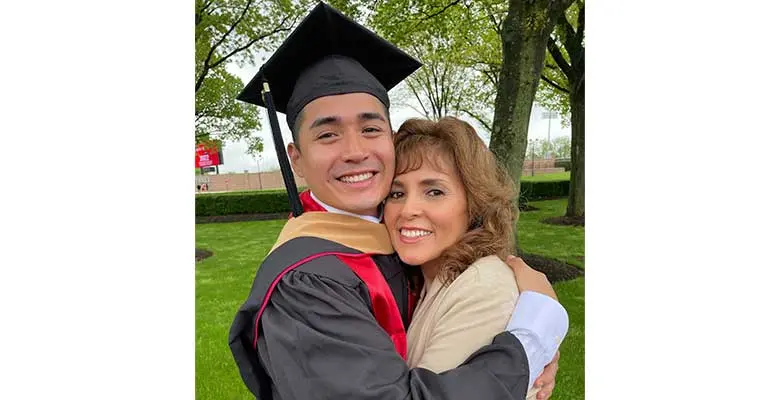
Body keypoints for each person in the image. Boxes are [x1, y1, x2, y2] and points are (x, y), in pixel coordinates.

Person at [228, 3, 567, 399]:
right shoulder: (308, 284)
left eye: (370, 128)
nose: (355, 151)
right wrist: (531, 340)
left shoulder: (392, 243)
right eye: (327, 135)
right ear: (296, 158)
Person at [384, 117, 567, 400]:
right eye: (397, 193)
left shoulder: (482, 286)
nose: (408, 209)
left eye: (434, 191)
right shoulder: (426, 277)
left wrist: (539, 330)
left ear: (474, 203)